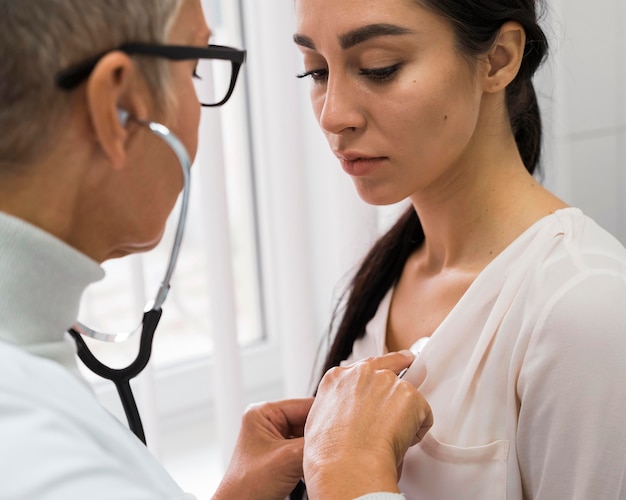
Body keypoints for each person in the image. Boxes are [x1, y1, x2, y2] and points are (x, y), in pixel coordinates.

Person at [0, 0, 433, 499]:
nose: (332, 117)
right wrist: (351, 474)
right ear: (115, 108)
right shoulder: (32, 448)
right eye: (195, 70)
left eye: (379, 68)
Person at [293, 0, 626, 498]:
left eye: (378, 68)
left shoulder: (585, 307)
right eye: (316, 72)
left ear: (499, 59)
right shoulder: (390, 273)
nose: (334, 115)